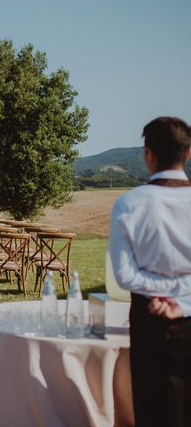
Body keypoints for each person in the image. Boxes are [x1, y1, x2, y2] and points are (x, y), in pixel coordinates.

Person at [109, 116, 191, 426]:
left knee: (154, 411)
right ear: (189, 152)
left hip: (150, 321)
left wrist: (164, 294)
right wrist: (182, 300)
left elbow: (125, 275)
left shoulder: (129, 204)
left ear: (148, 154)